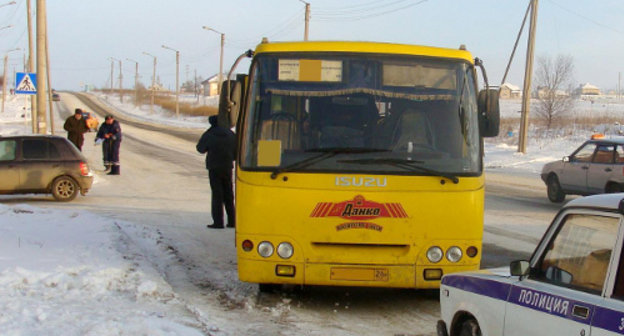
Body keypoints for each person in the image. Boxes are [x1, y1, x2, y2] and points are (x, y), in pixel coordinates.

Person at [196, 115, 236, 229]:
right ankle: (232, 221)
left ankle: (218, 222)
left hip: (214, 167)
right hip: (227, 167)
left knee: (217, 195)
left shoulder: (209, 134)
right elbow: (237, 150)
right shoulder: (230, 134)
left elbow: (200, 148)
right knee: (228, 194)